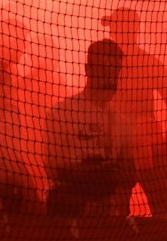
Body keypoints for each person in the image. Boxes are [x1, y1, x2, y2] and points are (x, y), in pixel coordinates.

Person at [44, 40, 136, 217]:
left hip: (107, 217)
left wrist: (119, 173)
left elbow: (129, 177)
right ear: (87, 69)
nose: (110, 80)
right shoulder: (62, 113)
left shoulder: (122, 123)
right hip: (67, 216)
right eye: (104, 71)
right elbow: (53, 168)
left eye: (115, 73)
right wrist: (93, 172)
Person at [103, 6, 167, 215]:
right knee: (126, 203)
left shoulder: (118, 65)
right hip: (131, 145)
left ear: (123, 30)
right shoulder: (144, 61)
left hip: (139, 145)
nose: (110, 32)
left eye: (113, 27)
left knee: (123, 205)